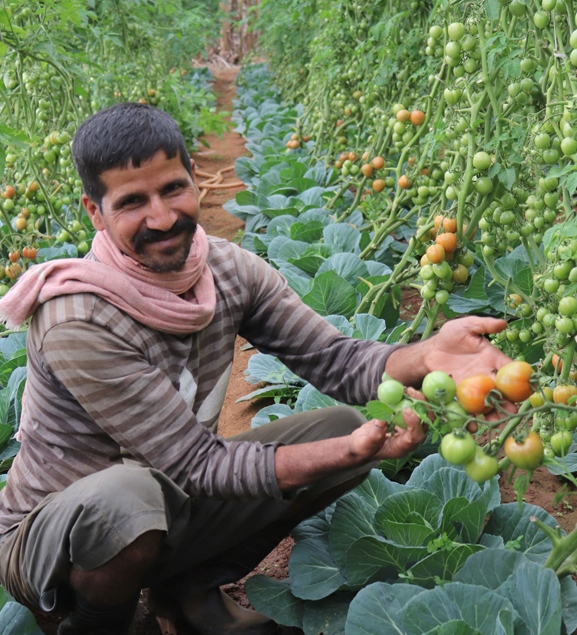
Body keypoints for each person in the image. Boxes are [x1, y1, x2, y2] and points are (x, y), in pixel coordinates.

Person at [0, 103, 511, 635]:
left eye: (172, 188)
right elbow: (197, 466)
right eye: (132, 202)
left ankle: (187, 588)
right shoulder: (76, 319)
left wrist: (426, 355)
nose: (162, 217)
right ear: (94, 211)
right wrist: (340, 454)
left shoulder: (226, 270)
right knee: (128, 498)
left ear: (193, 178)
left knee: (340, 427)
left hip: (170, 499)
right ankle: (95, 624)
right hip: (49, 539)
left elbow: (334, 359)